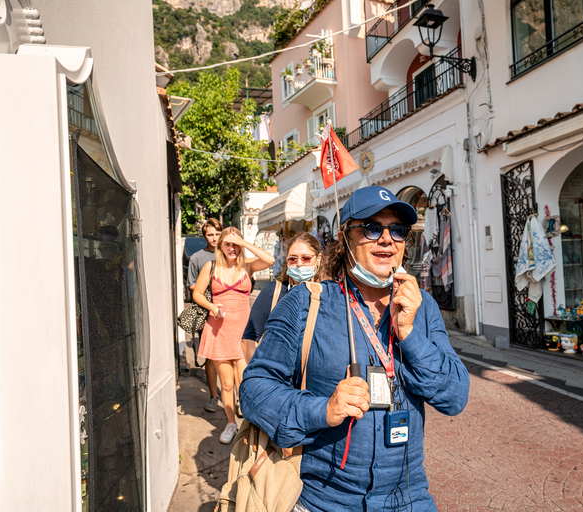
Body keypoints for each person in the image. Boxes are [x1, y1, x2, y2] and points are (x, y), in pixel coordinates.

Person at [240, 186, 470, 511]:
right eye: (373, 227)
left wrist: (410, 334)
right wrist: (322, 409)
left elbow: (454, 397)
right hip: (324, 500)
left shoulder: (423, 307)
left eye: (398, 231)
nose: (387, 239)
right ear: (345, 238)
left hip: (409, 499)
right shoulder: (306, 303)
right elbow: (253, 390)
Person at [192, 226, 275, 444]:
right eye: (227, 243)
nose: (232, 248)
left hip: (243, 331)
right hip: (218, 330)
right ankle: (230, 424)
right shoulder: (211, 266)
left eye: (235, 244)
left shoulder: (247, 266)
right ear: (220, 245)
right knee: (227, 384)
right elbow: (197, 293)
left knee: (245, 381)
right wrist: (211, 306)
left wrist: (243, 243)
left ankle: (249, 424)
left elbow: (270, 259)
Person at [240, 232, 323, 366]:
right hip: (279, 379)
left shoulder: (329, 294)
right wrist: (260, 377)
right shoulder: (274, 290)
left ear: (318, 258)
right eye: (293, 259)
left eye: (306, 258)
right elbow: (249, 339)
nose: (299, 264)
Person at [187, 218, 222, 413]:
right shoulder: (197, 258)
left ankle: (234, 397)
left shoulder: (230, 254)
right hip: (207, 311)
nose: (214, 238)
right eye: (210, 234)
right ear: (204, 236)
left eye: (217, 234)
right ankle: (213, 396)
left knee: (233, 356)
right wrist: (208, 289)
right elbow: (192, 285)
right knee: (210, 357)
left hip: (229, 312)